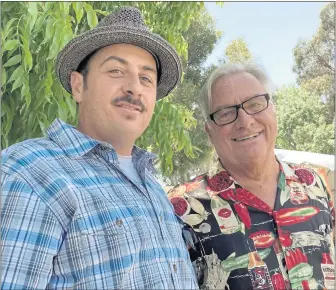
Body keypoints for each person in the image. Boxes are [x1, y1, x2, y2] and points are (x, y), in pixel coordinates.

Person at [1, 7, 198, 289]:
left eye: (146, 78)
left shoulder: (153, 188)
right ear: (78, 86)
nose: (134, 88)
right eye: (116, 70)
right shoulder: (30, 172)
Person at [168, 62, 335, 290]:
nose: (245, 121)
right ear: (209, 131)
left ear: (272, 109)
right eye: (226, 113)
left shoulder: (313, 182)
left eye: (255, 105)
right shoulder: (181, 208)